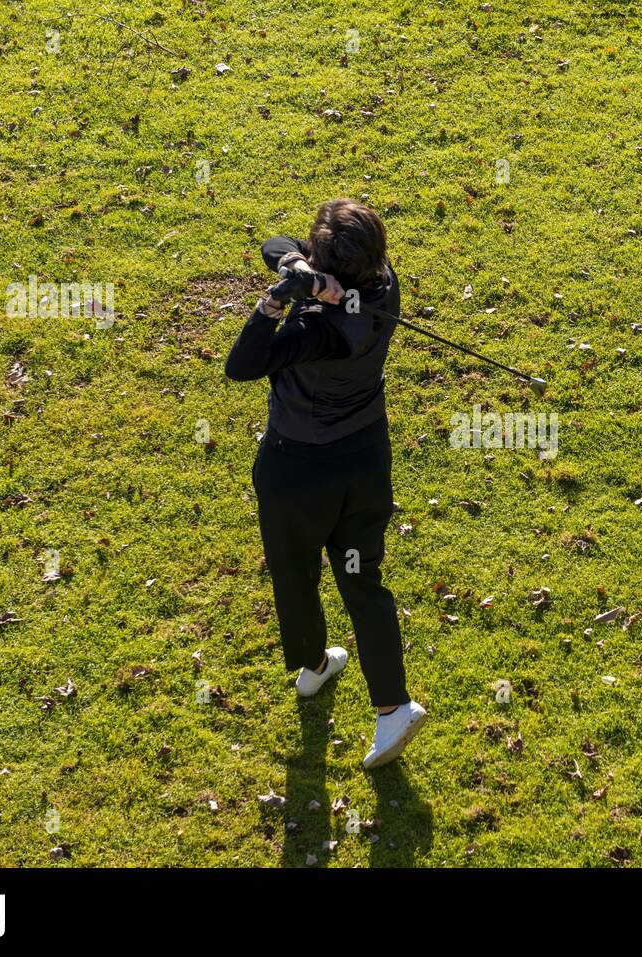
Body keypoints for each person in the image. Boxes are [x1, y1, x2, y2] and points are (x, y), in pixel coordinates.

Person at [224, 198, 426, 769]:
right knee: (362, 578)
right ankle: (393, 708)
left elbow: (241, 365)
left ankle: (314, 666)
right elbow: (273, 243)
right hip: (364, 459)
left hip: (298, 470)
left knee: (295, 570)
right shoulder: (383, 284)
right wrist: (298, 267)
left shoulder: (315, 330)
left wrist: (274, 302)